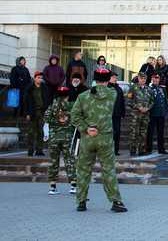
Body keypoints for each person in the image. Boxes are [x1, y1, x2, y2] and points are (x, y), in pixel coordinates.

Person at [71, 68, 127, 213]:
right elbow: (113, 90)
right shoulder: (113, 94)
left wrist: (86, 128)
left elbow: (74, 116)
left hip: (88, 137)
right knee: (108, 170)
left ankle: (81, 201)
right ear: (108, 80)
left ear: (94, 79)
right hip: (106, 138)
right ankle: (116, 201)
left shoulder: (83, 96)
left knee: (83, 170)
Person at [44, 86, 77, 195]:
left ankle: (52, 186)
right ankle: (73, 185)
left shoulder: (52, 105)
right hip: (67, 137)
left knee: (54, 161)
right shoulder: (71, 105)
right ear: (67, 95)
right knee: (70, 160)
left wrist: (49, 132)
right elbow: (76, 119)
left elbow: (46, 119)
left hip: (54, 137)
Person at [24, 71, 49, 156]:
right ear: (34, 78)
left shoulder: (44, 88)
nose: (40, 79)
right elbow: (26, 102)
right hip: (32, 112)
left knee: (40, 132)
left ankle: (39, 150)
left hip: (41, 112)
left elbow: (47, 100)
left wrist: (46, 110)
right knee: (31, 132)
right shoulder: (29, 88)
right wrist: (27, 113)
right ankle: (30, 150)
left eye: (41, 78)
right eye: (38, 77)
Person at [127, 72, 153, 156]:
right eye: (141, 78)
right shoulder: (133, 88)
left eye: (144, 78)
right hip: (136, 114)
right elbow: (129, 100)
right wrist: (138, 107)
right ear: (138, 78)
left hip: (145, 114)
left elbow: (152, 101)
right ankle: (133, 150)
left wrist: (148, 108)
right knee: (134, 132)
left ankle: (141, 150)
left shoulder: (149, 89)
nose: (143, 80)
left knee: (143, 133)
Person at [147, 74, 168, 154]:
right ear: (152, 79)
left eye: (157, 78)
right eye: (154, 78)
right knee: (150, 132)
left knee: (161, 132)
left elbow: (165, 100)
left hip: (161, 114)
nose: (156, 80)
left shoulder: (162, 89)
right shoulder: (149, 88)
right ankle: (148, 149)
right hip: (152, 113)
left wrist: (165, 111)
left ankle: (161, 149)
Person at [109, 72, 125, 156]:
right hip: (108, 115)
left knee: (117, 132)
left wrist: (123, 112)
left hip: (117, 114)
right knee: (108, 133)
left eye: (115, 77)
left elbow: (122, 101)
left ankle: (116, 150)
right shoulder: (106, 87)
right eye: (113, 77)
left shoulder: (119, 88)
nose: (115, 78)